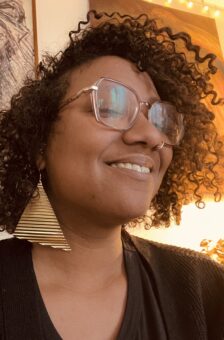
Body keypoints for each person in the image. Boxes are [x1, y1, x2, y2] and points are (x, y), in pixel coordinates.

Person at [0, 10, 223, 340]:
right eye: (109, 105)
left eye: (162, 118)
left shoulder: (206, 289)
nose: (150, 135)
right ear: (40, 143)